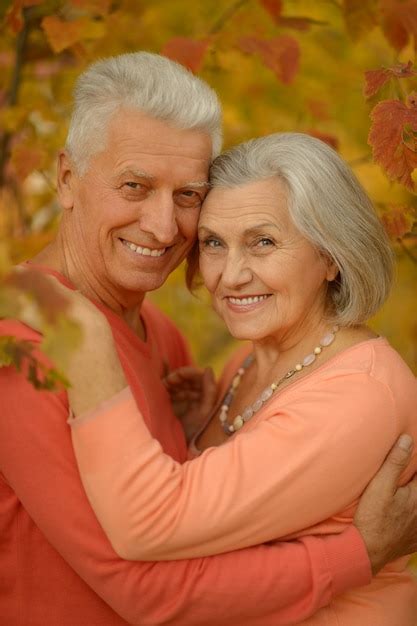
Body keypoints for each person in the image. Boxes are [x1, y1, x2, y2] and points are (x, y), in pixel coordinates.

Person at [0, 52, 416, 626]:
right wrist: (358, 554)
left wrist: (195, 430)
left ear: (329, 257)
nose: (164, 226)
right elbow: (142, 589)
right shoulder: (24, 344)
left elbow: (200, 530)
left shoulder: (161, 336)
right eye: (134, 186)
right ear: (68, 178)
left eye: (188, 196)